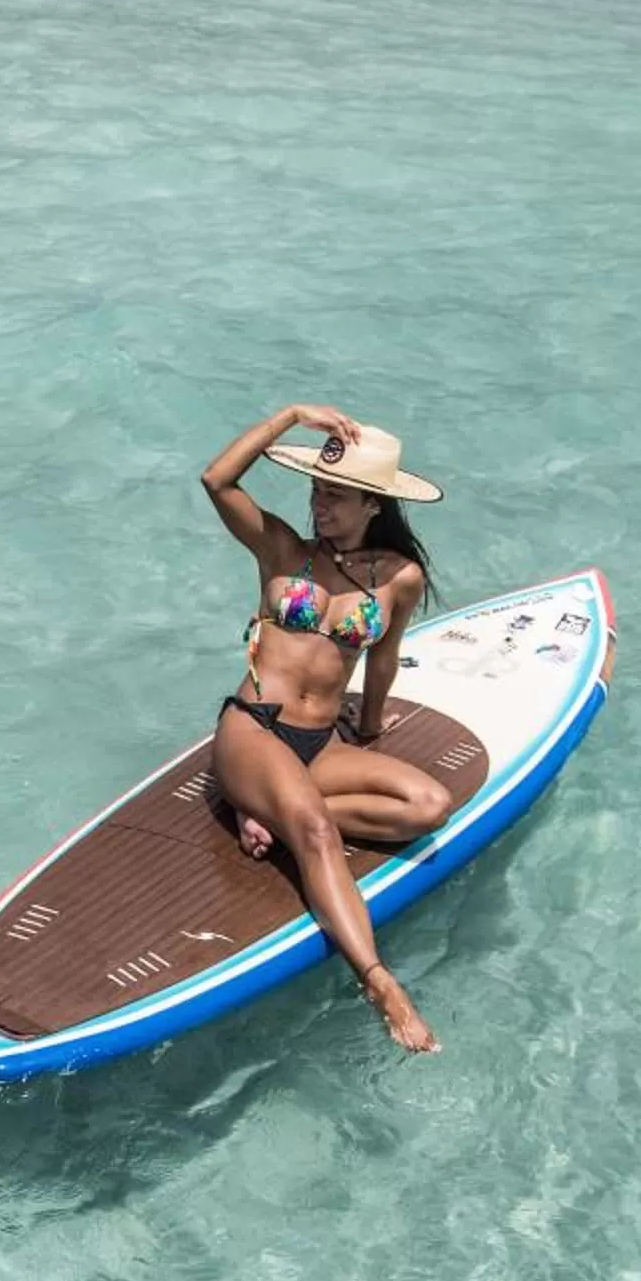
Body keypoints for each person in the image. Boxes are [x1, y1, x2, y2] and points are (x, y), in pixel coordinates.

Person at [199, 403, 454, 1053]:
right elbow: (217, 481)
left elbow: (385, 658)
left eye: (336, 497)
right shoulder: (283, 549)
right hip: (253, 728)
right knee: (315, 830)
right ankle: (379, 982)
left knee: (429, 804)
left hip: (321, 745)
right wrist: (289, 417)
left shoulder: (400, 577)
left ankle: (271, 815)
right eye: (316, 490)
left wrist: (369, 726)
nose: (320, 506)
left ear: (374, 503)